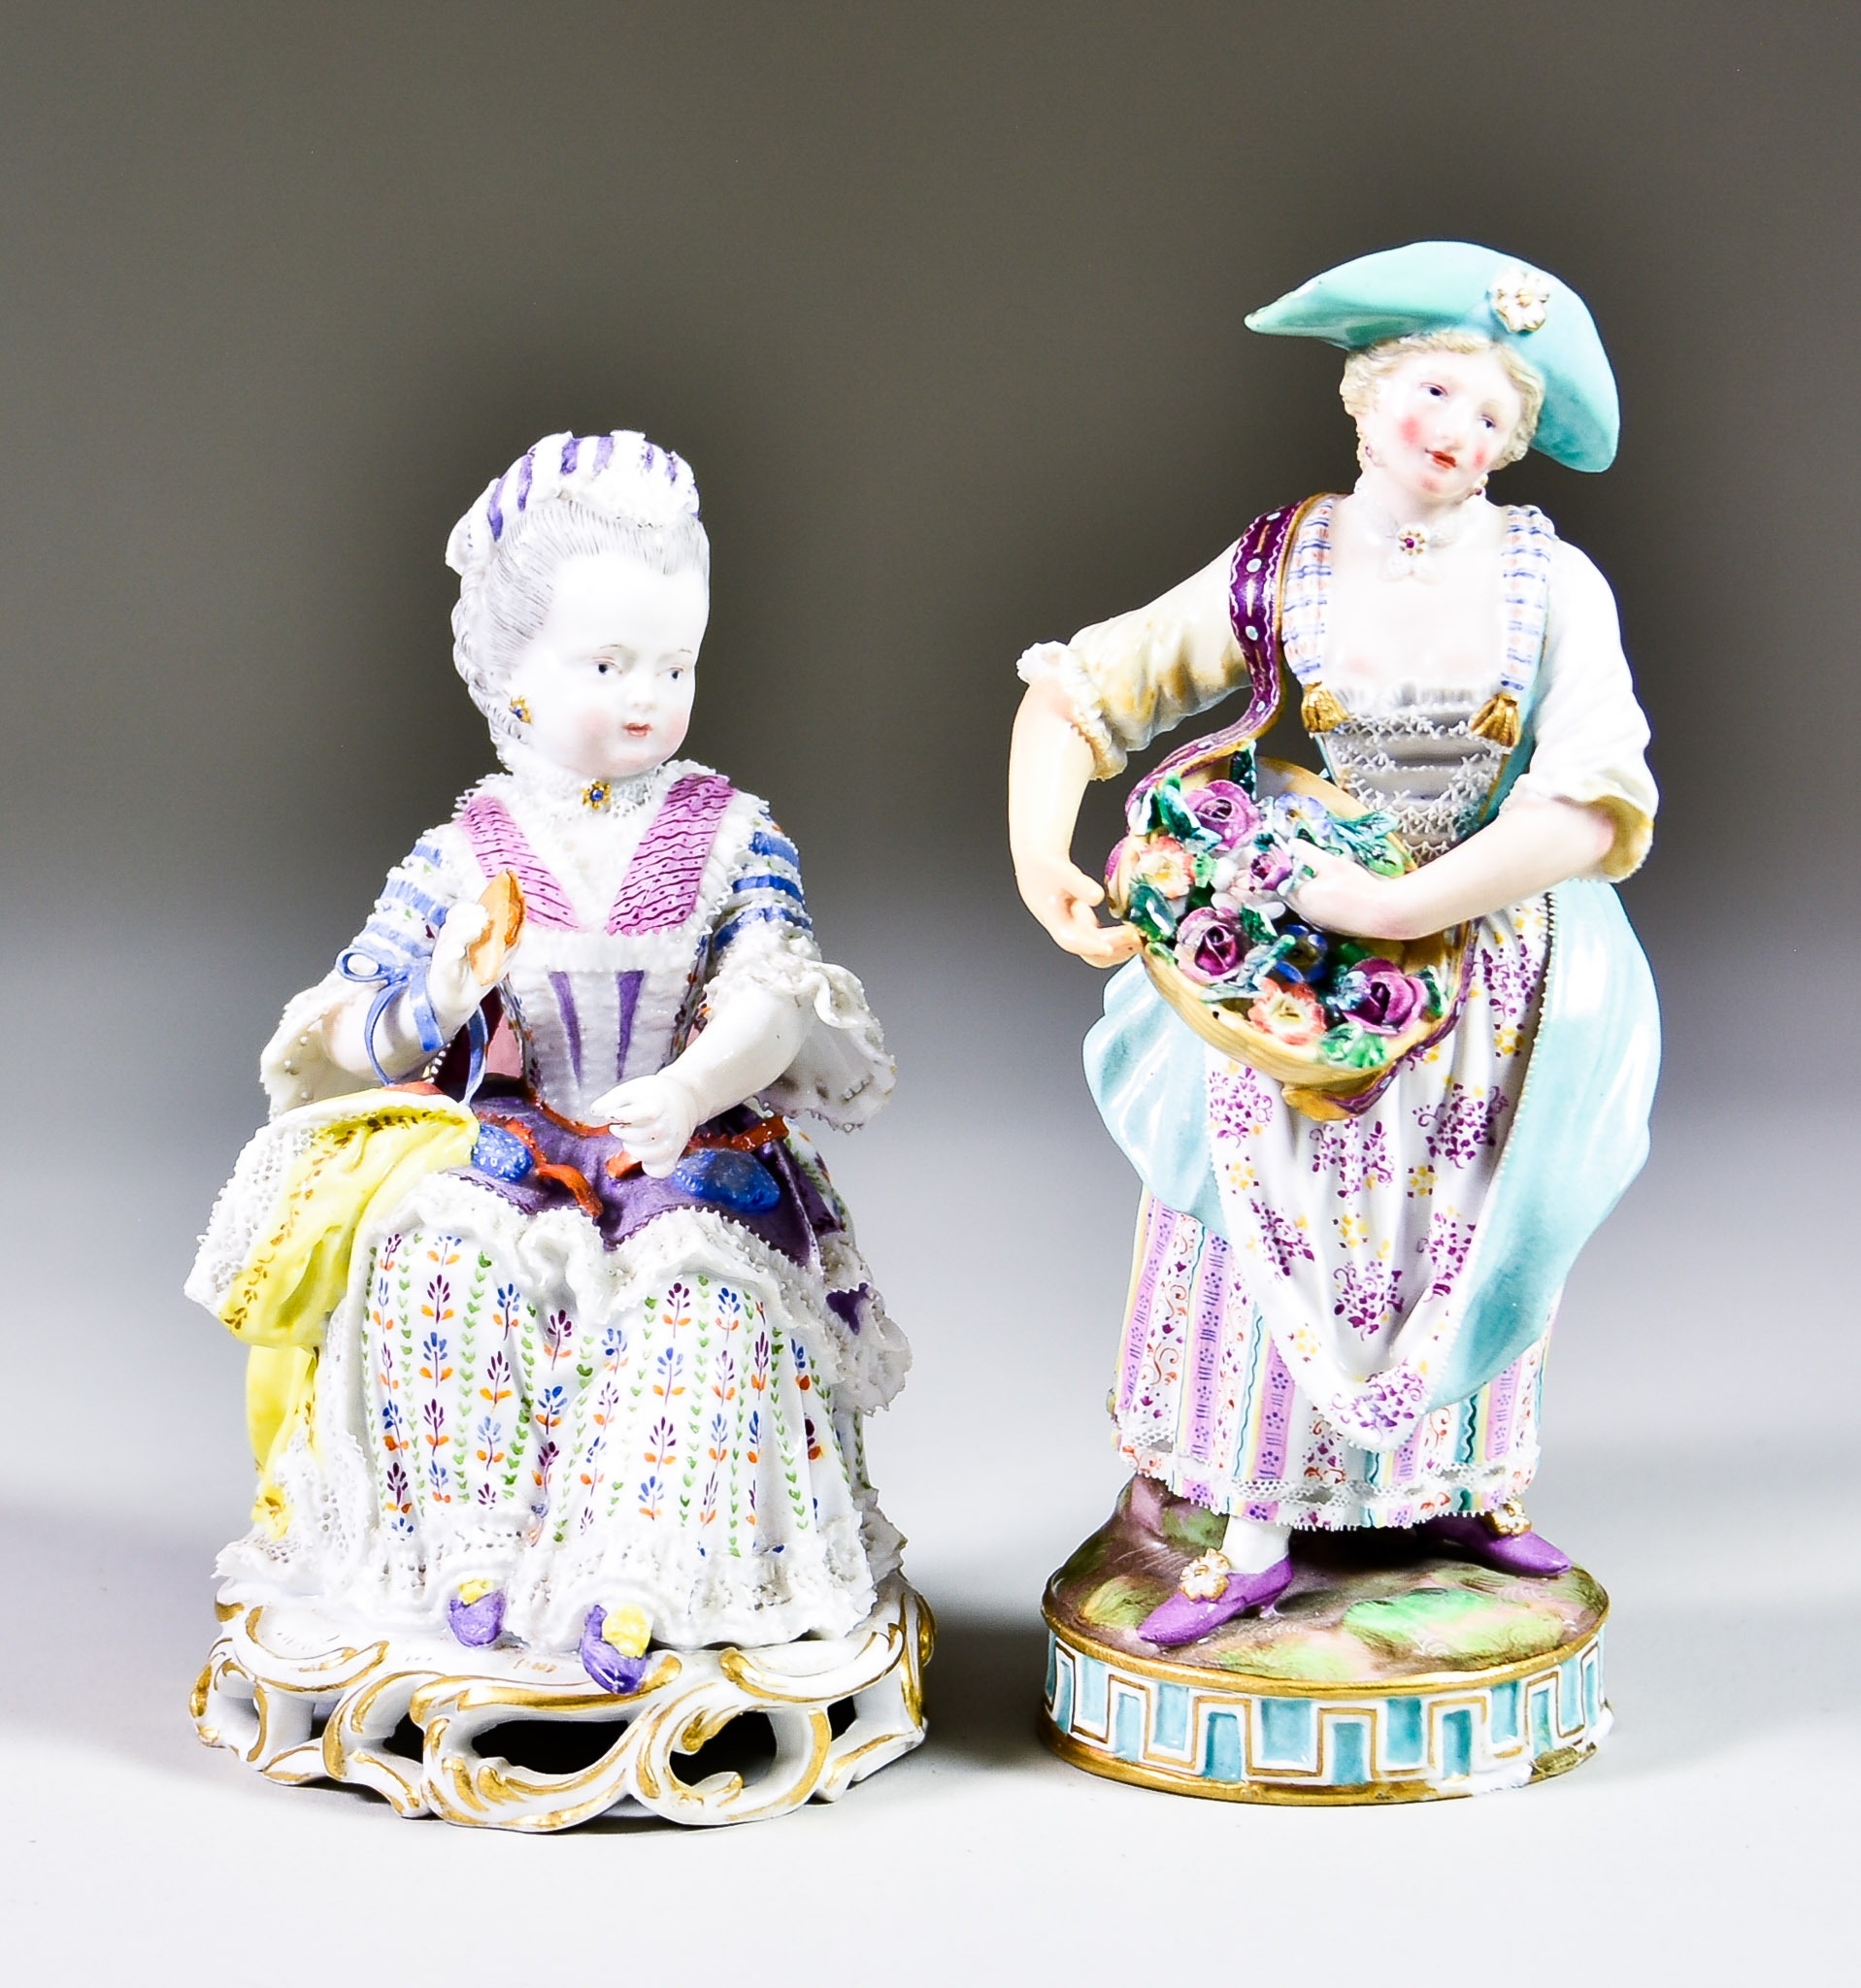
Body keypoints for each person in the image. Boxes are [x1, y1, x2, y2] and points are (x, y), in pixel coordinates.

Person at [1007, 243, 1658, 1646]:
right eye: (1436, 388)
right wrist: (1038, 855)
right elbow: (1086, 690)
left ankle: (1455, 1485)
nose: (1458, 429)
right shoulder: (1280, 561)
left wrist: (1407, 906)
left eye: (1495, 414)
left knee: (1466, 1217)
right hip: (1299, 976)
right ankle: (1253, 1519)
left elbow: (1592, 799)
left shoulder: (1555, 584)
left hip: (1484, 971)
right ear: (1366, 393)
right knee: (1281, 1214)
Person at [189, 431, 909, 1686]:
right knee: (430, 1264)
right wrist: (434, 998)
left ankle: (638, 1572)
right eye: (607, 663)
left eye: (676, 664)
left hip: (681, 1152)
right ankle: (467, 1548)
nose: (648, 695)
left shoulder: (733, 836)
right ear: (511, 672)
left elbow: (778, 996)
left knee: (697, 1304)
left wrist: (691, 1087)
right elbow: (348, 1024)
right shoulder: (464, 847)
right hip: (515, 1150)